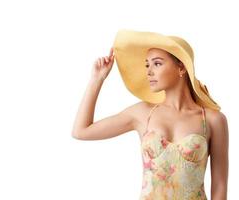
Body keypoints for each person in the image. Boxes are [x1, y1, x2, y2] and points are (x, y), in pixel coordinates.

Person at [71, 30, 228, 200]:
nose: (149, 71)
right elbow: (81, 131)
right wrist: (97, 79)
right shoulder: (143, 113)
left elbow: (219, 186)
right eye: (147, 65)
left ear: (181, 67)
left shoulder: (212, 120)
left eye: (157, 64)